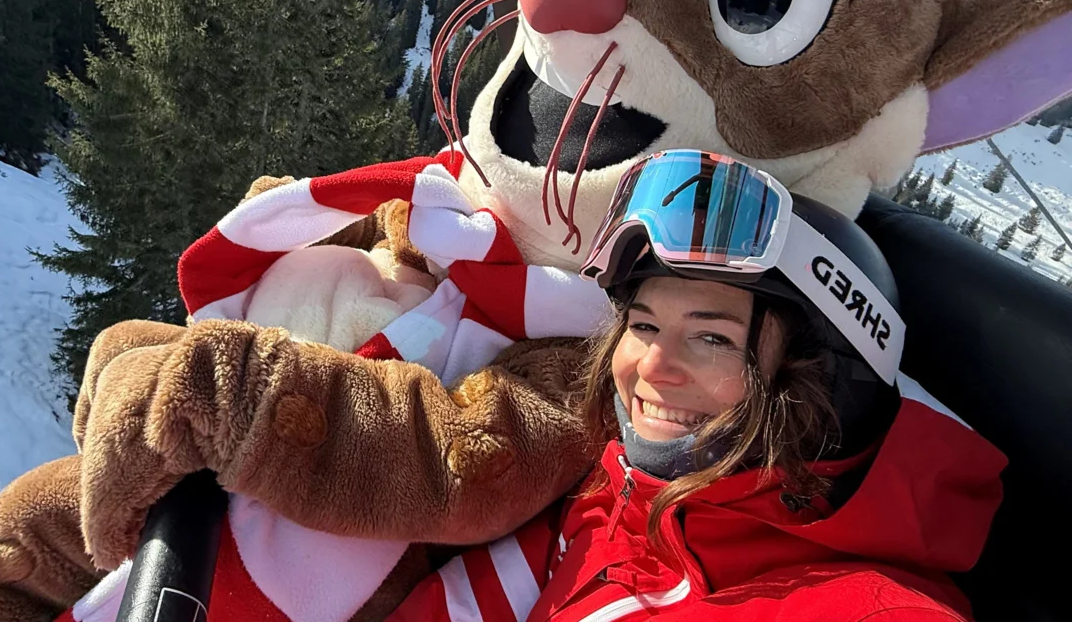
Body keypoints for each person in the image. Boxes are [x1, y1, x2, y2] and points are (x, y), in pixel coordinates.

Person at [390, 150, 1006, 622]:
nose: (652, 367)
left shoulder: (868, 608)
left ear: (821, 381)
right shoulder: (621, 493)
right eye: (644, 324)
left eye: (713, 339)